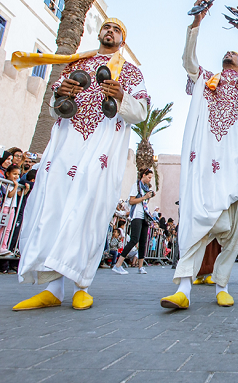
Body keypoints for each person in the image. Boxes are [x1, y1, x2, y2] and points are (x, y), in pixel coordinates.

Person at [11, 18, 149, 311]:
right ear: (99, 33)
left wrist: (122, 96)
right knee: (55, 207)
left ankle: (81, 285)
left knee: (89, 210)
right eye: (106, 28)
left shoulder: (131, 72)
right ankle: (53, 288)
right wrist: (62, 95)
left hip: (101, 149)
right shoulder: (76, 66)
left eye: (116, 30)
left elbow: (141, 111)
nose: (109, 32)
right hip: (67, 146)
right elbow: (55, 105)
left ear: (122, 39)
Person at [160, 0, 238, 310]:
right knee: (196, 220)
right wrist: (196, 23)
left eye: (236, 55)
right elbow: (187, 61)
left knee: (235, 227)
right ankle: (183, 289)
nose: (230, 55)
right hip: (206, 164)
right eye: (229, 53)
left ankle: (222, 284)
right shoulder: (205, 79)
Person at [113, 168, 155, 275]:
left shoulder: (146, 188)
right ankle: (118, 264)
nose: (150, 180)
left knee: (143, 242)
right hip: (137, 215)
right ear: (144, 175)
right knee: (134, 240)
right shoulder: (136, 186)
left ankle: (140, 267)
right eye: (149, 177)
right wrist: (144, 197)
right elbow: (132, 201)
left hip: (145, 215)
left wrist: (148, 197)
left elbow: (144, 202)